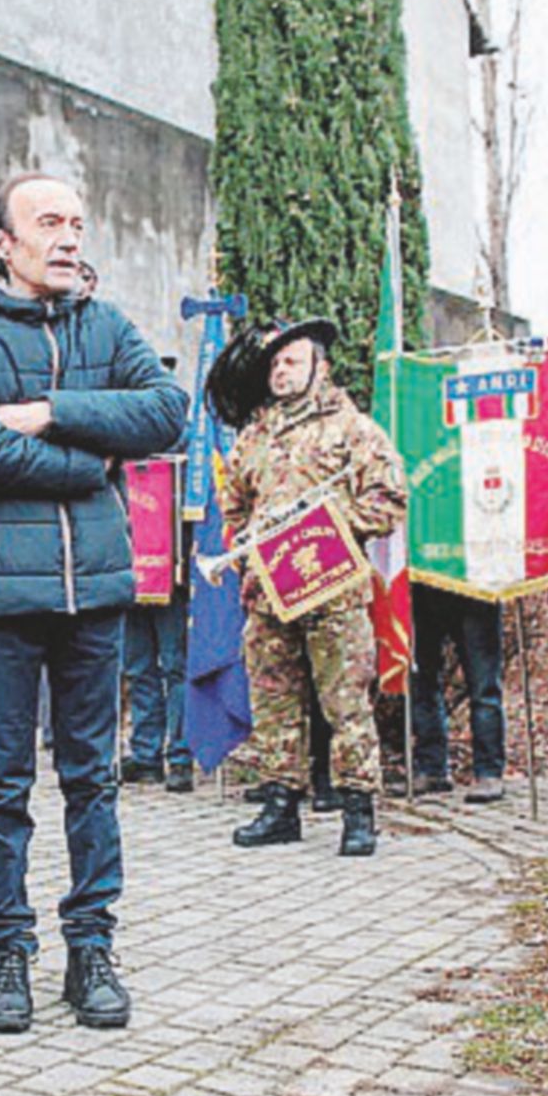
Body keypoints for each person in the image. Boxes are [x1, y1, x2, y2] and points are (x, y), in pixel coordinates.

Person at [0, 171, 188, 1032]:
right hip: (0, 595)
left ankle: (91, 949)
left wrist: (49, 412)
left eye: (78, 219)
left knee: (93, 780)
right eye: (49, 222)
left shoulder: (105, 325)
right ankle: (7, 953)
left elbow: (165, 413)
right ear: (1, 241)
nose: (71, 236)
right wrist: (85, 466)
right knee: (2, 783)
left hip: (98, 594)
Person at [210, 319, 407, 856]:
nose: (280, 372)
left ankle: (358, 811)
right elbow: (236, 502)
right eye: (274, 365)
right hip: (270, 594)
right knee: (274, 701)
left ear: (320, 366)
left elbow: (388, 500)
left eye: (291, 362)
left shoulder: (354, 429)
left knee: (345, 703)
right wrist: (250, 538)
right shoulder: (255, 434)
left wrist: (329, 526)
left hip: (332, 589)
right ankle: (280, 806)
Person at [121, 356, 194, 794]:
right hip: (128, 570)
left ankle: (180, 754)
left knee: (174, 665)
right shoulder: (121, 440)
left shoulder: (186, 444)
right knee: (137, 665)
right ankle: (145, 753)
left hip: (172, 569)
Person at [408, 583, 506, 802]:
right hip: (422, 582)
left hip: (476, 584)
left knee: (484, 686)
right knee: (421, 681)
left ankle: (488, 772)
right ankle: (431, 768)